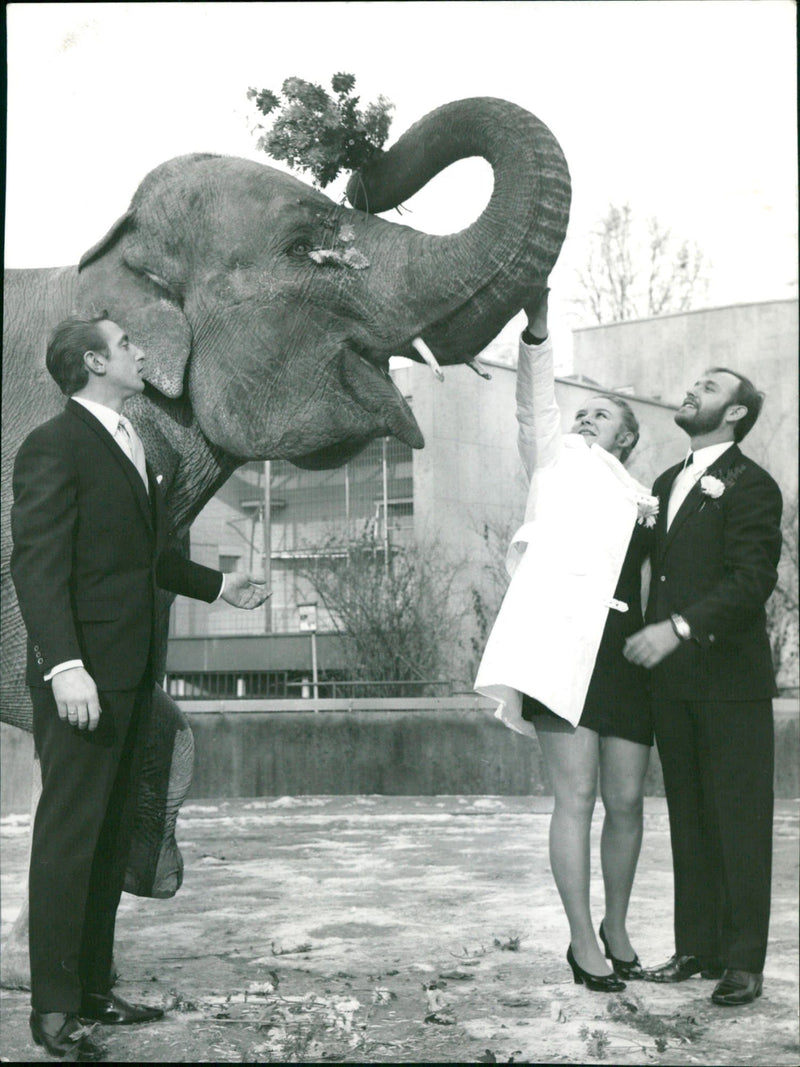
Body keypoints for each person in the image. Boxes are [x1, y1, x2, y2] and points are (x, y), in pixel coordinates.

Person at [10, 315, 271, 1061]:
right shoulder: (52, 445)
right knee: (68, 838)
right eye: (126, 345)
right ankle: (54, 1010)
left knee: (106, 837)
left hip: (129, 675)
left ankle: (92, 988)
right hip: (84, 679)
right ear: (94, 362)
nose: (140, 352)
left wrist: (223, 585)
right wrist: (65, 666)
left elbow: (147, 557)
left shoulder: (132, 440)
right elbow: (37, 566)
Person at [475, 290, 658, 992]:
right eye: (584, 410)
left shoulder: (647, 494)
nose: (586, 417)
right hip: (563, 652)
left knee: (629, 801)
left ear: (628, 437)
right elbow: (536, 406)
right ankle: (583, 941)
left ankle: (617, 924)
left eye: (601, 414)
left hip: (627, 654)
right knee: (575, 799)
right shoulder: (555, 461)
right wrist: (539, 333)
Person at [624, 367, 782, 1007]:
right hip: (674, 687)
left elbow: (751, 582)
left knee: (739, 822)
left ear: (736, 414)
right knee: (689, 819)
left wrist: (678, 629)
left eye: (711, 387)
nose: (693, 389)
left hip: (730, 681)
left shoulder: (753, 485)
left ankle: (744, 961)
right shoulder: (665, 482)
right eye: (695, 382)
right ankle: (698, 948)